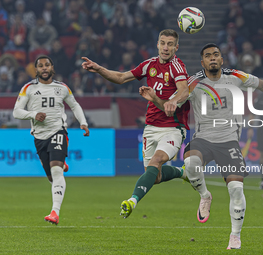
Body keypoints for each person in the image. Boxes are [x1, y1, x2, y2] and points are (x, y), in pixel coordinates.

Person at [139, 43, 263, 250]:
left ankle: (235, 236)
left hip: (229, 141)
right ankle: (205, 195)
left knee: (236, 189)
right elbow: (173, 102)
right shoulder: (193, 82)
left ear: (222, 60)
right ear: (202, 62)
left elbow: (262, 85)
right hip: (203, 139)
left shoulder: (236, 76)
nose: (213, 58)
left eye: (216, 55)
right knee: (191, 163)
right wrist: (158, 99)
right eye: (208, 56)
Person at [81, 29, 190, 218]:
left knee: (157, 161)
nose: (165, 48)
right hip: (151, 127)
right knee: (154, 176)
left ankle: (132, 201)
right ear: (157, 44)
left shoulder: (177, 67)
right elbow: (121, 78)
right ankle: (183, 173)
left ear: (176, 47)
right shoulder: (149, 65)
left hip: (173, 127)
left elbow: (184, 90)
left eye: (170, 44)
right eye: (162, 43)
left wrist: (174, 100)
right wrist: (99, 69)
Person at [13, 55, 90, 225]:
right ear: (36, 70)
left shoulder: (62, 87)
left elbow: (75, 105)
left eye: (47, 65)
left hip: (58, 132)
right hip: (39, 137)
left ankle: (55, 212)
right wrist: (33, 114)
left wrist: (83, 122)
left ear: (52, 68)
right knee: (51, 177)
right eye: (40, 66)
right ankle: (62, 163)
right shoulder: (28, 88)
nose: (44, 68)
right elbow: (16, 112)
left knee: (56, 172)